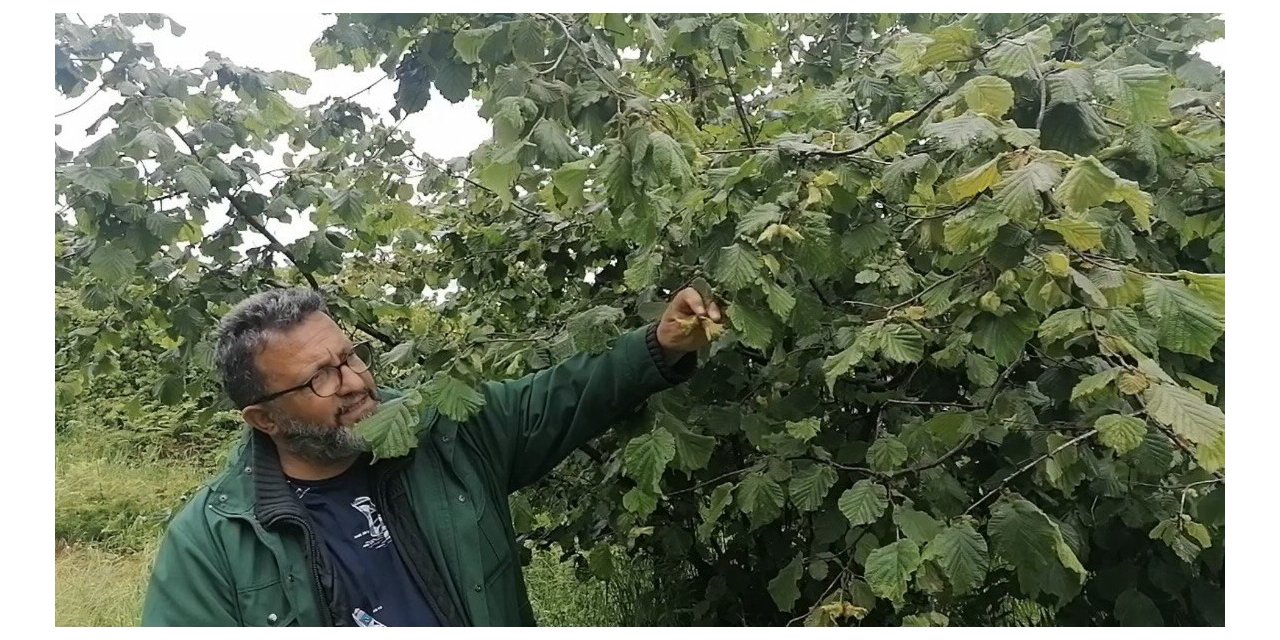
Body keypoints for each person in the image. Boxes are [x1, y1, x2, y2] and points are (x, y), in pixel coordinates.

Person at [140, 286, 721, 626]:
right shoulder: (214, 543)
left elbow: (561, 396)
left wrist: (661, 345)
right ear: (263, 419)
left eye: (350, 356)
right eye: (320, 378)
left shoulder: (444, 429)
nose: (353, 382)